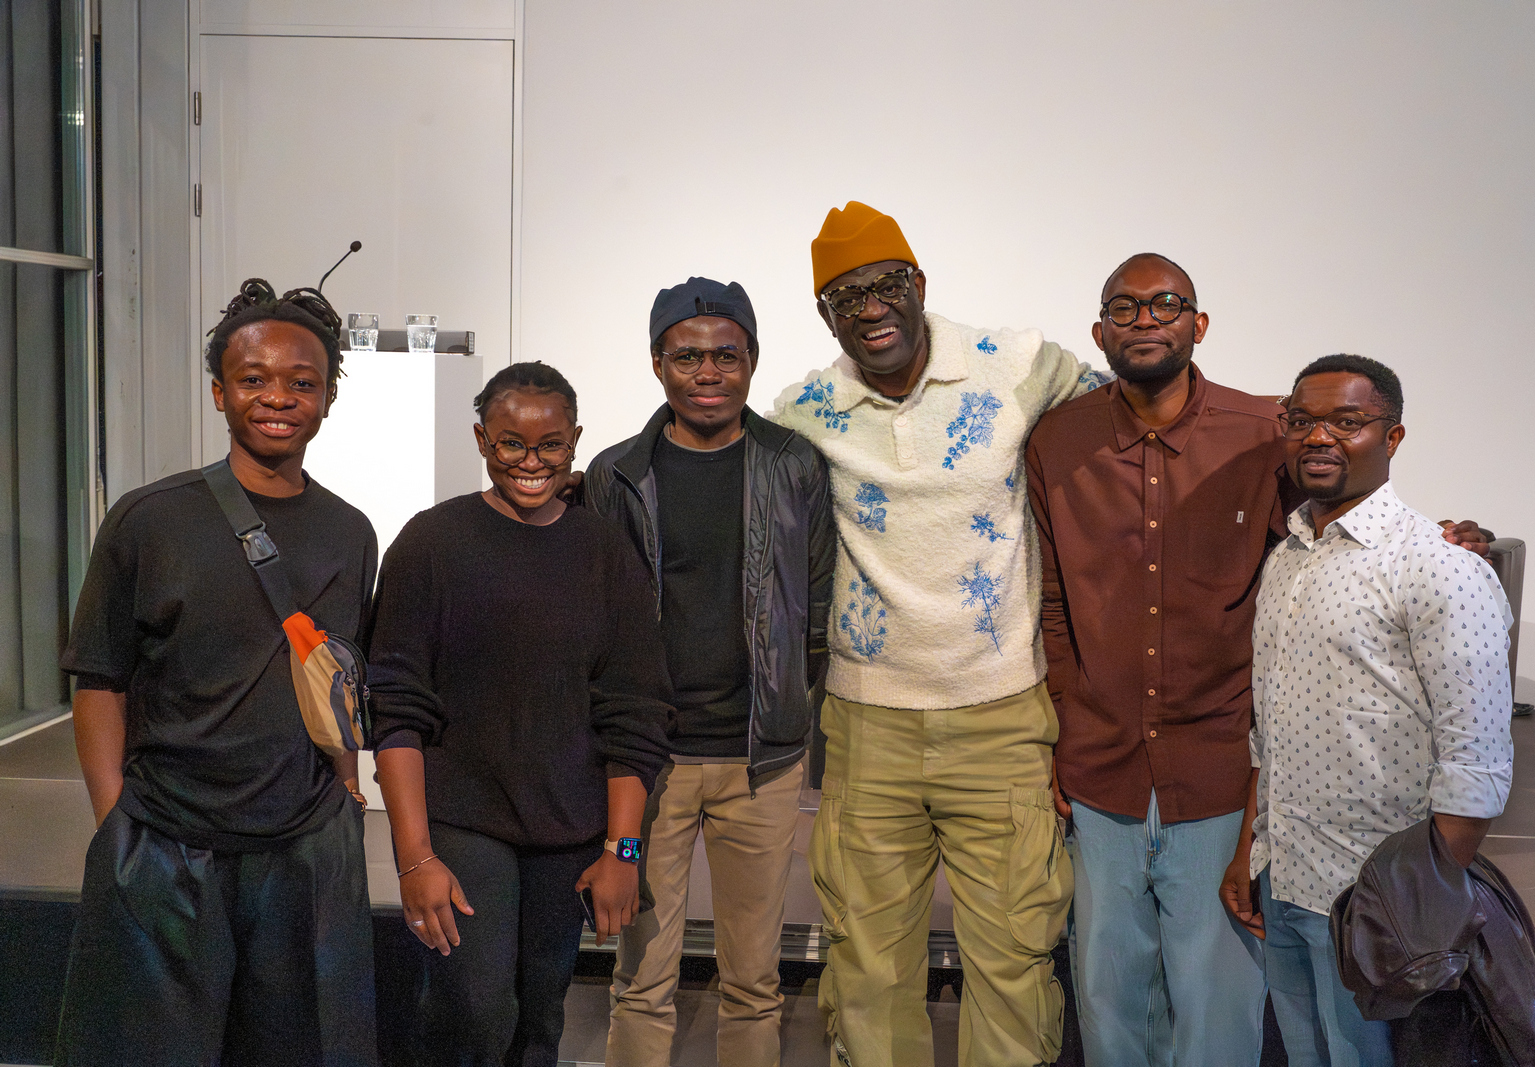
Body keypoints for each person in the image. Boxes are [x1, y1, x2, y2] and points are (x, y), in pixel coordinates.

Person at [1025, 255, 1492, 1066]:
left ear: (1199, 324)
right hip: (1099, 767)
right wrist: (1063, 725)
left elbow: (1339, 517)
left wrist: (1444, 538)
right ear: (1099, 331)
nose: (1146, 320)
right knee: (1106, 991)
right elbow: (1053, 603)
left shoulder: (1263, 431)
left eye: (1166, 304)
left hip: (1218, 767)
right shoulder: (1057, 440)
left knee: (1218, 1001)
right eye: (1125, 308)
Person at [768, 201, 1106, 1067]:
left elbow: (1137, 414)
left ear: (919, 282)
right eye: (846, 297)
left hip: (1001, 715)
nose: (871, 308)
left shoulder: (1015, 363)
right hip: (867, 725)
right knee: (866, 965)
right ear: (825, 315)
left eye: (886, 285)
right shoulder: (807, 408)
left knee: (1016, 958)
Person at [55, 278, 380, 1066]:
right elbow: (99, 679)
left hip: (303, 849)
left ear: (329, 397)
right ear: (219, 392)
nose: (279, 398)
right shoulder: (149, 519)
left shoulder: (350, 532)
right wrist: (113, 821)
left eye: (302, 381)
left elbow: (336, 675)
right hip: (166, 844)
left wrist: (345, 786)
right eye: (253, 378)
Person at [367, 361, 672, 1067]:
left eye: (550, 445)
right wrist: (414, 856)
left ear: (575, 443)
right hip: (463, 820)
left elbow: (635, 712)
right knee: (473, 1011)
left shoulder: (604, 551)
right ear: (482, 439)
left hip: (569, 827)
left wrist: (622, 851)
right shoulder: (431, 543)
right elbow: (396, 707)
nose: (531, 462)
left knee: (539, 1017)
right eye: (511, 444)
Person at [1229, 354, 1513, 1067]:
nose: (1319, 436)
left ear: (1392, 436)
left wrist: (1419, 907)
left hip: (1377, 901)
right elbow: (1268, 732)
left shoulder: (1440, 568)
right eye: (1302, 420)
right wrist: (1248, 852)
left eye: (1347, 421)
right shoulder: (1286, 558)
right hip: (1285, 876)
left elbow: (1476, 767)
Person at [588, 277, 834, 1067]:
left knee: (754, 978)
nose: (707, 372)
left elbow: (818, 606)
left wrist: (794, 706)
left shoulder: (793, 463)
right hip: (649, 766)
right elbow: (595, 618)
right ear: (657, 363)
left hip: (760, 763)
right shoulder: (616, 474)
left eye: (726, 355)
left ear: (752, 360)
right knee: (640, 976)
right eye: (687, 356)